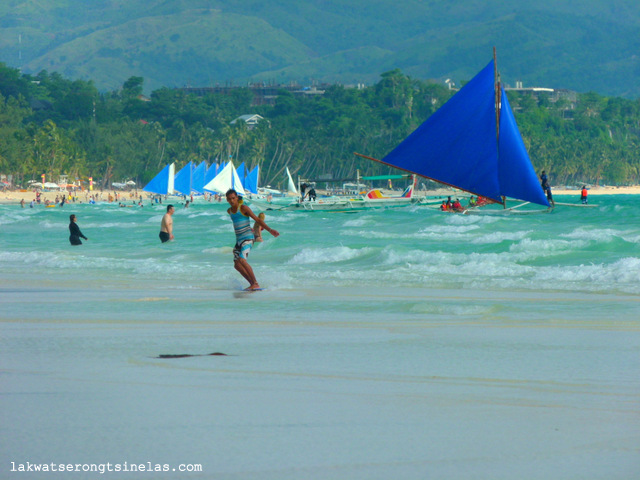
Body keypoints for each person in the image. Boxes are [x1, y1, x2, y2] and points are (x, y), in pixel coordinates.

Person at [226, 189, 279, 290]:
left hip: (248, 238)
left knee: (242, 259)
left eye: (233, 198)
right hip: (239, 240)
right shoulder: (229, 211)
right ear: (227, 200)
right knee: (237, 265)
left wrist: (270, 230)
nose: (232, 201)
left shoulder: (243, 208)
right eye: (229, 199)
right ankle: (252, 284)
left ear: (237, 197)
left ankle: (255, 283)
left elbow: (258, 219)